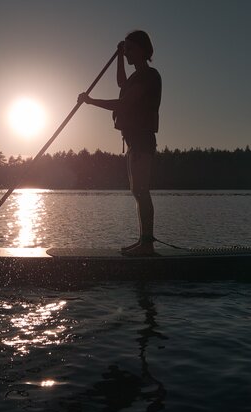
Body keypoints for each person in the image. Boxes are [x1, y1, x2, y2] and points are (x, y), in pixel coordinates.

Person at [78, 30, 162, 256]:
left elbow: (124, 104)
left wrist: (91, 101)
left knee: (142, 191)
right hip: (133, 141)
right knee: (137, 191)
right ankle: (143, 241)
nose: (126, 53)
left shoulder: (150, 76)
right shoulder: (135, 77)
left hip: (143, 140)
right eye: (125, 50)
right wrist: (117, 57)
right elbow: (121, 82)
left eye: (129, 49)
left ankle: (147, 244)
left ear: (143, 50)